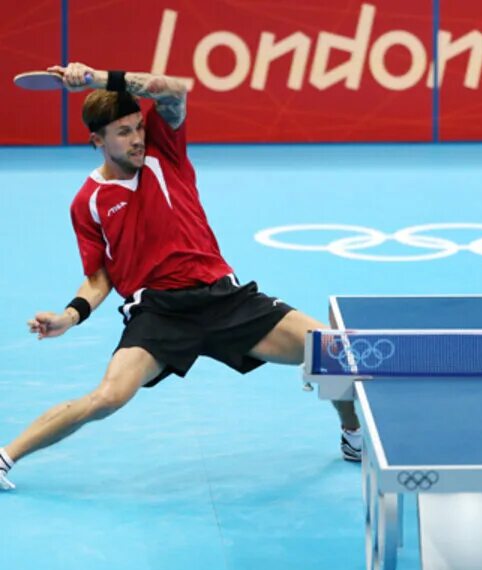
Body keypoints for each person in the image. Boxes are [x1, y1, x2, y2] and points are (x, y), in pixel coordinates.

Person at [0, 63, 361, 491]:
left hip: (225, 299)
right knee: (108, 397)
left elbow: (173, 89)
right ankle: (6, 455)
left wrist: (98, 78)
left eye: (138, 127)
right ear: (97, 141)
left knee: (330, 352)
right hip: (159, 312)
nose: (136, 139)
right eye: (123, 132)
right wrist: (69, 316)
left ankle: (353, 437)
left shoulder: (162, 152)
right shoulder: (89, 202)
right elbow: (99, 279)